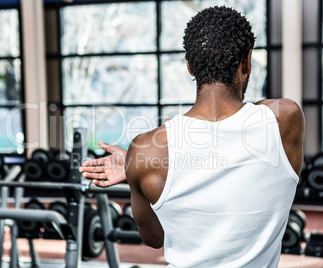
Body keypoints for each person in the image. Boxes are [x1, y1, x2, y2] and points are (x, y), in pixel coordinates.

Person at [80, 6, 304, 267]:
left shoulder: (145, 151)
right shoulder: (285, 119)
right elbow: (233, 128)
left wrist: (135, 168)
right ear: (247, 61)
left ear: (189, 66)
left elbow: (154, 238)